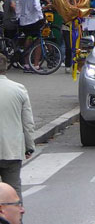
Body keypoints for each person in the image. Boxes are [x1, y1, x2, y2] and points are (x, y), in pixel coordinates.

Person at [0, 55, 35, 200]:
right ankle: (15, 220)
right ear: (6, 66)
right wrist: (29, 146)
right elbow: (27, 122)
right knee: (14, 190)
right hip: (12, 150)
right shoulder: (19, 89)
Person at [16, 0, 46, 71]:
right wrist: (41, 17)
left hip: (24, 21)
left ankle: (26, 64)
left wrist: (18, 16)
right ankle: (36, 65)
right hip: (33, 21)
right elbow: (37, 5)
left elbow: (18, 4)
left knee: (28, 39)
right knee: (38, 42)